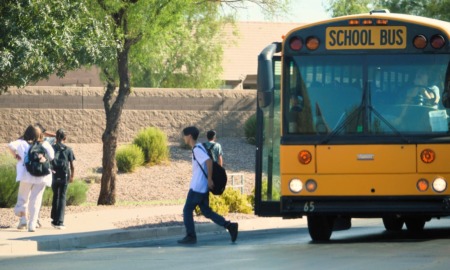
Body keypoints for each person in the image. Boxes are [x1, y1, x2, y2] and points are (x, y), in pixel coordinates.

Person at [178, 126, 238, 244]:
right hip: (202, 186)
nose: (183, 138)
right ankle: (230, 226)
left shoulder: (197, 149)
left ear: (189, 136)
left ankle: (191, 236)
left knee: (187, 210)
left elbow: (208, 161)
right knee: (207, 212)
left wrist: (210, 179)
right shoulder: (200, 146)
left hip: (197, 187)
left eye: (184, 135)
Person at [8, 124, 54, 232]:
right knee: (36, 200)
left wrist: (16, 156)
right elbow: (51, 156)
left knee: (23, 198)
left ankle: (23, 218)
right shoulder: (45, 144)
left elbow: (10, 145)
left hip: (25, 175)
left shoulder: (21, 143)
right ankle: (32, 224)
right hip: (41, 175)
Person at [51, 129, 76, 230]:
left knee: (55, 196)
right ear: (65, 138)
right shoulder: (68, 149)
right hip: (65, 175)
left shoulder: (52, 148)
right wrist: (72, 176)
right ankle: (60, 221)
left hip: (54, 175)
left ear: (56, 137)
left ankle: (54, 219)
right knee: (62, 197)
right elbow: (72, 165)